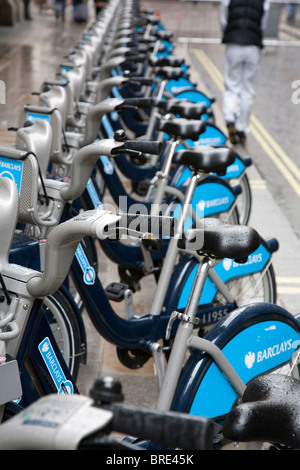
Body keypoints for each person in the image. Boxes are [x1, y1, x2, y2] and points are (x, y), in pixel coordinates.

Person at [220, 0, 270, 145]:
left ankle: (229, 117)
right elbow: (263, 24)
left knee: (231, 86)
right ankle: (241, 127)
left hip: (233, 42)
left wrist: (229, 33)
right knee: (248, 89)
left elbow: (223, 19)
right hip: (253, 45)